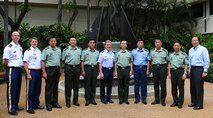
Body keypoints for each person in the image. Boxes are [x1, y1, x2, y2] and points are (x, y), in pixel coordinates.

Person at [3, 31, 24, 115]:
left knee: (17, 88)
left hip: (19, 70)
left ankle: (16, 105)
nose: (16, 37)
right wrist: (8, 69)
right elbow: (5, 61)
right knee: (12, 89)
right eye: (14, 35)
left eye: (18, 35)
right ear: (11, 37)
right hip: (12, 70)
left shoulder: (19, 47)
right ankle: (11, 108)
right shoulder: (9, 47)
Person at [23, 37, 44, 114]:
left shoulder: (39, 51)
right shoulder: (28, 51)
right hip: (31, 71)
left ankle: (36, 104)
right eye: (33, 42)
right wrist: (28, 73)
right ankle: (30, 107)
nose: (34, 43)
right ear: (30, 43)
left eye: (36, 41)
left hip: (38, 71)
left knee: (37, 89)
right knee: (31, 90)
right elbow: (25, 63)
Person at [188, 36, 210, 110]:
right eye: (192, 40)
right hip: (193, 69)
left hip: (199, 69)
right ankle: (194, 102)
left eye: (195, 40)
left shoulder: (203, 49)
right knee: (192, 87)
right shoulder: (190, 50)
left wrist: (205, 71)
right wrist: (189, 70)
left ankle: (199, 105)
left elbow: (206, 60)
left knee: (199, 87)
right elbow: (190, 61)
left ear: (198, 41)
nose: (194, 42)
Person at [41, 37, 62, 111]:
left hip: (57, 69)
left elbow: (59, 61)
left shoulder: (59, 49)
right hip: (49, 69)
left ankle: (55, 103)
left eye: (54, 41)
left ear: (56, 42)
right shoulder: (46, 50)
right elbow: (43, 61)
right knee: (49, 87)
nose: (53, 42)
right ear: (49, 42)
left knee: (55, 87)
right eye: (51, 41)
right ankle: (49, 104)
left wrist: (60, 69)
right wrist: (44, 72)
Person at [62, 37, 82, 108]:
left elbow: (81, 59)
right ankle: (68, 101)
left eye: (74, 40)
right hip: (68, 68)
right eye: (72, 40)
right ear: (69, 42)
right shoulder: (65, 50)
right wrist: (68, 65)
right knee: (68, 85)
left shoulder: (80, 50)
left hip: (77, 68)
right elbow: (63, 60)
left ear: (76, 42)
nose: (73, 41)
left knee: (76, 85)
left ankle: (75, 101)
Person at [168, 41, 188, 109]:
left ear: (180, 47)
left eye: (177, 45)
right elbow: (169, 64)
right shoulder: (170, 55)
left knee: (181, 87)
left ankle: (180, 102)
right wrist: (169, 73)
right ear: (173, 47)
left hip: (180, 71)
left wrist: (185, 73)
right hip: (173, 71)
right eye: (175, 45)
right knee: (173, 88)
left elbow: (186, 64)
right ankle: (175, 101)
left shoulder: (183, 54)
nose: (176, 47)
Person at [150, 38, 169, 106]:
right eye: (156, 42)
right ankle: (156, 99)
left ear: (161, 43)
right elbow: (150, 61)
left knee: (163, 84)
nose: (157, 43)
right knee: (155, 84)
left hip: (163, 67)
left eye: (159, 42)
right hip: (155, 67)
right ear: (155, 43)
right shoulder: (152, 51)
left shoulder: (165, 51)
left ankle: (163, 100)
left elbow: (168, 61)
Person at [81, 39, 99, 106]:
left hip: (94, 68)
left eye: (93, 43)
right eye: (90, 42)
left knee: (93, 85)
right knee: (87, 85)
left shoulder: (97, 52)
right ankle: (87, 100)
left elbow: (98, 62)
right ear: (88, 44)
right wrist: (82, 71)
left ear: (94, 44)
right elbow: (82, 61)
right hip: (87, 68)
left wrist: (98, 71)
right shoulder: (84, 51)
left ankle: (92, 99)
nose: (92, 44)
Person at [131, 39, 150, 104]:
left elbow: (148, 61)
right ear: (137, 44)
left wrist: (147, 70)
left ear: (143, 44)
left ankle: (144, 98)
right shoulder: (133, 51)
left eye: (141, 43)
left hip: (143, 68)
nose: (140, 44)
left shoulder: (146, 51)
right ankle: (137, 98)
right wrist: (132, 70)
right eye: (139, 43)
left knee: (144, 84)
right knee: (136, 84)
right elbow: (132, 61)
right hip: (136, 68)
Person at [114, 40, 133, 104]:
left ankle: (126, 99)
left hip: (127, 69)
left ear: (126, 45)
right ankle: (121, 99)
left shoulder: (129, 53)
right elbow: (116, 63)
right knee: (120, 84)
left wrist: (131, 70)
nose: (123, 45)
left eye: (125, 44)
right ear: (120, 45)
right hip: (119, 69)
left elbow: (131, 62)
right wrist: (115, 71)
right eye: (122, 44)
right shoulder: (117, 53)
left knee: (126, 84)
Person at [98, 40, 115, 104]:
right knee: (103, 85)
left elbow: (113, 62)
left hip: (111, 70)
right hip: (104, 70)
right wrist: (101, 72)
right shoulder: (102, 53)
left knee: (110, 85)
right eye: (107, 45)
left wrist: (114, 71)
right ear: (105, 45)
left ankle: (108, 98)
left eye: (110, 45)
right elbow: (100, 63)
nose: (108, 46)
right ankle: (103, 98)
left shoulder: (113, 53)